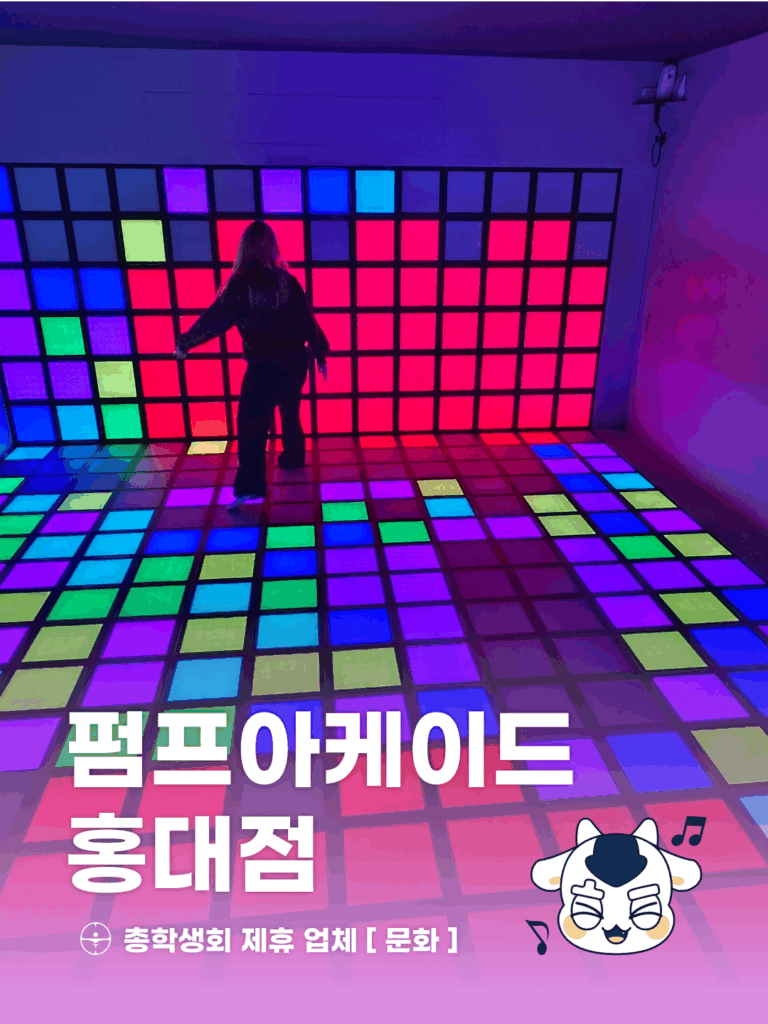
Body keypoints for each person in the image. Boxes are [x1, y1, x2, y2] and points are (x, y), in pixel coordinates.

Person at [175, 221, 329, 510]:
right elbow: (307, 319)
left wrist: (186, 342)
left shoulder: (240, 286)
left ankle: (250, 487)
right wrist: (320, 352)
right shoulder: (287, 281)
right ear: (272, 246)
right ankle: (293, 458)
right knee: (290, 410)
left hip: (263, 369)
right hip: (295, 364)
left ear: (243, 248)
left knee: (251, 427)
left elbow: (214, 320)